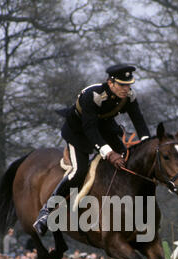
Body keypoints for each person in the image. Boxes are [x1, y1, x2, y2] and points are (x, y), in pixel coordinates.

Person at [33, 63, 151, 235]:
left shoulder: (130, 97)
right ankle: (46, 211)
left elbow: (139, 121)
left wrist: (147, 143)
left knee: (128, 161)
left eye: (128, 85)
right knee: (78, 171)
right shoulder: (92, 95)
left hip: (104, 129)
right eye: (122, 85)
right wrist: (109, 153)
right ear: (110, 83)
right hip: (79, 132)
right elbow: (90, 129)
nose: (126, 89)